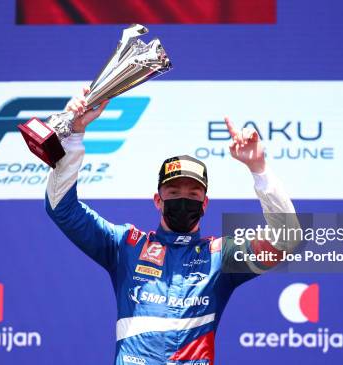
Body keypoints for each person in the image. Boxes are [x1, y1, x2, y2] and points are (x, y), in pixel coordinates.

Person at [45, 87, 298, 365]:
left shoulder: (220, 257)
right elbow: (62, 209)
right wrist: (73, 136)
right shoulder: (126, 245)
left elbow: (286, 239)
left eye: (192, 195)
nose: (183, 200)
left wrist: (259, 170)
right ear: (157, 200)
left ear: (205, 203)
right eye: (174, 193)